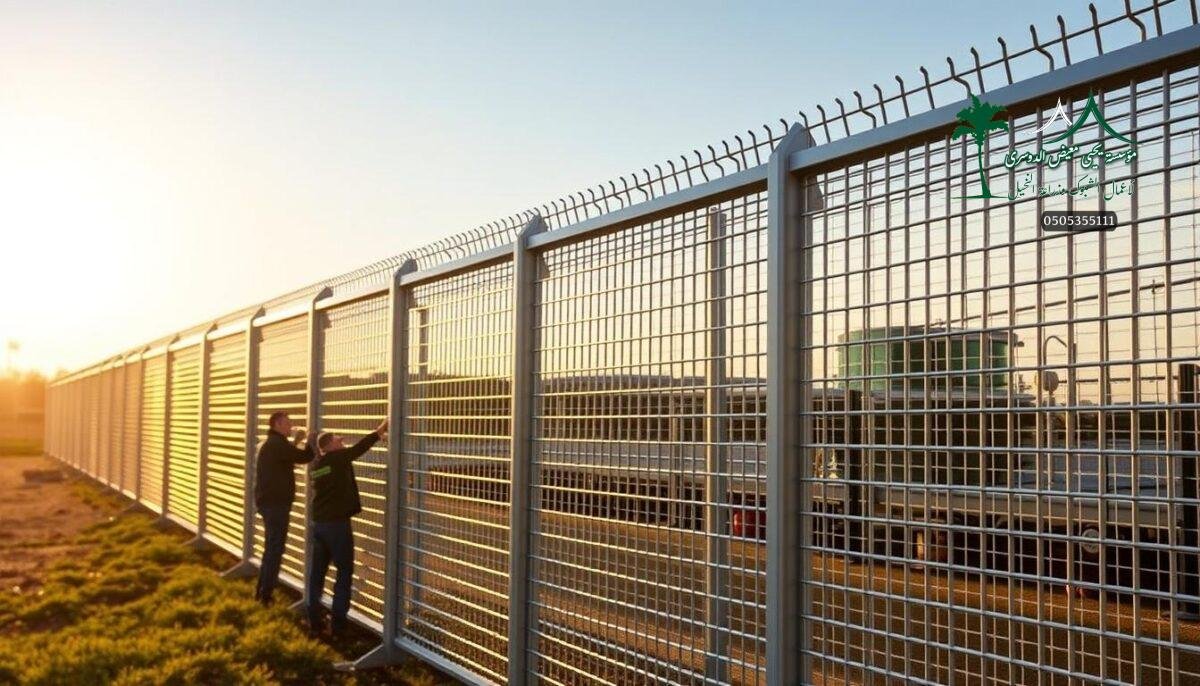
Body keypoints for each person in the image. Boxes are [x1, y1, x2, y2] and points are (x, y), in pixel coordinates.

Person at [305, 418, 388, 637]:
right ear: (330, 446)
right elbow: (360, 448)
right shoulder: (337, 459)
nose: (341, 440)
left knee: (317, 575)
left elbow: (329, 458)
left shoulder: (317, 467)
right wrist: (380, 431)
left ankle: (314, 621)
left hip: (319, 525)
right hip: (337, 526)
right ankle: (338, 624)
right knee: (344, 571)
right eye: (337, 439)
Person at [253, 410, 315, 606]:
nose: (291, 427)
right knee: (275, 549)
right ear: (278, 425)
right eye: (288, 424)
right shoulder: (276, 445)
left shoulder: (271, 444)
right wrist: (310, 441)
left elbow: (287, 457)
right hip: (276, 505)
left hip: (269, 504)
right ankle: (265, 596)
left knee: (271, 548)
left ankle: (262, 591)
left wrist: (295, 442)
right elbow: (303, 457)